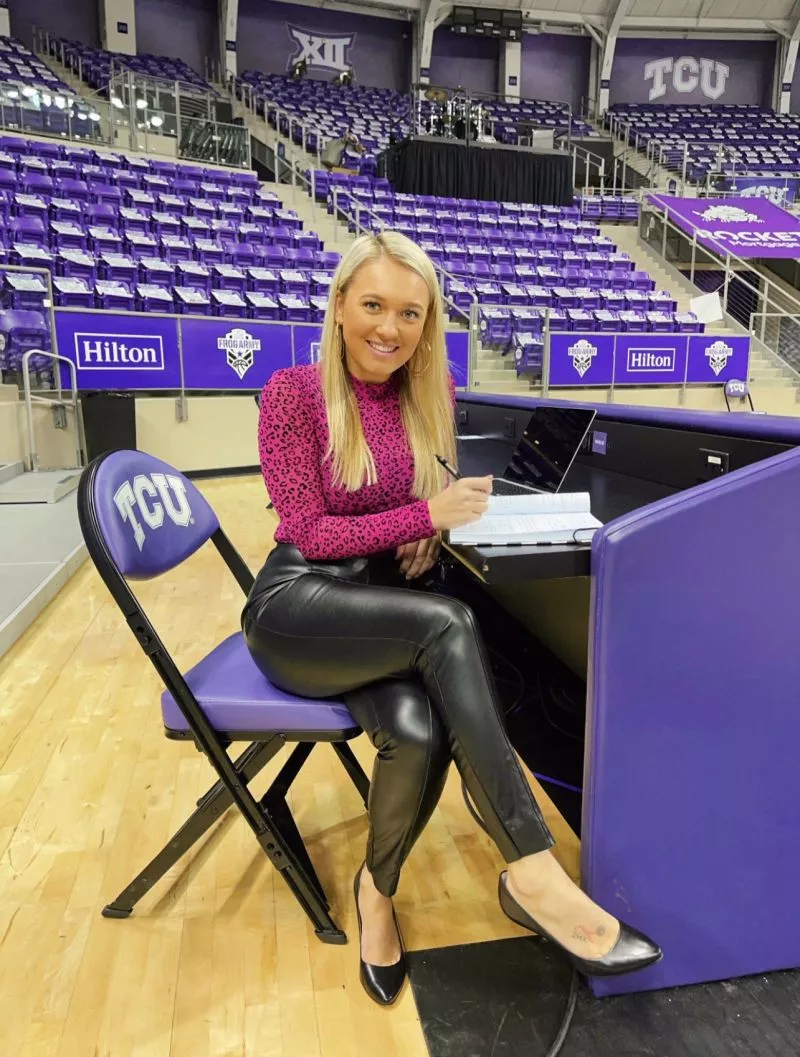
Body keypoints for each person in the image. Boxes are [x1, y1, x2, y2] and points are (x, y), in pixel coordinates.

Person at [242, 231, 661, 1006]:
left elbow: (400, 511)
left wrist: (428, 529)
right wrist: (418, 516)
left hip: (374, 604)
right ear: (338, 307)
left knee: (421, 731)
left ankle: (377, 890)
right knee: (448, 625)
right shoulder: (291, 392)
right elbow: (308, 530)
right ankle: (533, 869)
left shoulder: (422, 397)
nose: (388, 328)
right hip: (297, 605)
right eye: (372, 305)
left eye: (410, 312)